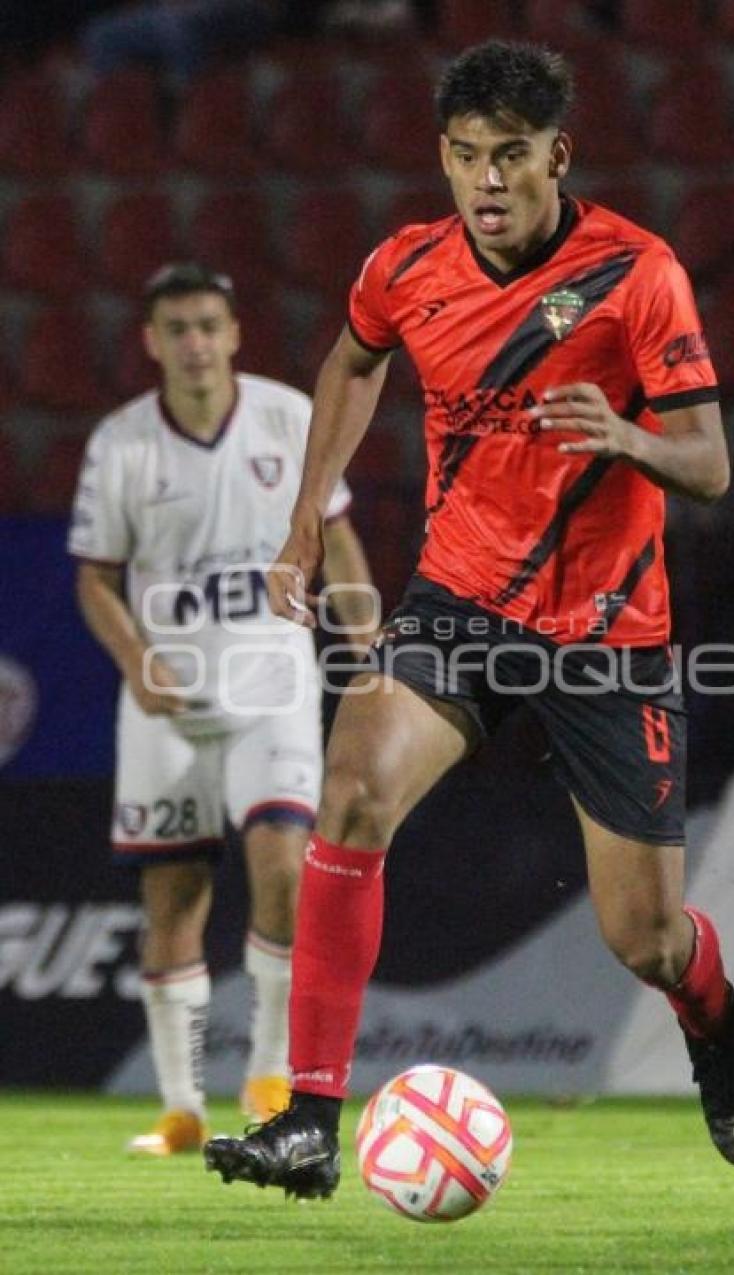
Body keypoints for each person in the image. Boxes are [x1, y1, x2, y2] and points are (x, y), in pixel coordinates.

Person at [204, 40, 734, 1198]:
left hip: (607, 631)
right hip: (460, 599)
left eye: (510, 156)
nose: (488, 182)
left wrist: (628, 439)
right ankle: (309, 1117)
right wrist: (308, 511)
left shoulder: (636, 273)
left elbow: (710, 463)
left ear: (555, 154)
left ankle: (712, 1022)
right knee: (352, 782)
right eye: (465, 158)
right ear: (444, 162)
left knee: (645, 940)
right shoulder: (406, 265)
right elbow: (352, 364)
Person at [68, 262, 375, 1156]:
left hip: (270, 689)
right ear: (152, 341)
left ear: (235, 333)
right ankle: (179, 1110)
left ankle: (270, 1077)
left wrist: (369, 640)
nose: (196, 342)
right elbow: (94, 577)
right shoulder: (122, 444)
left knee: (283, 870)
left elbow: (339, 535)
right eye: (178, 328)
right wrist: (135, 660)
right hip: (167, 702)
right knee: (175, 900)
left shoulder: (286, 417)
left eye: (210, 324)